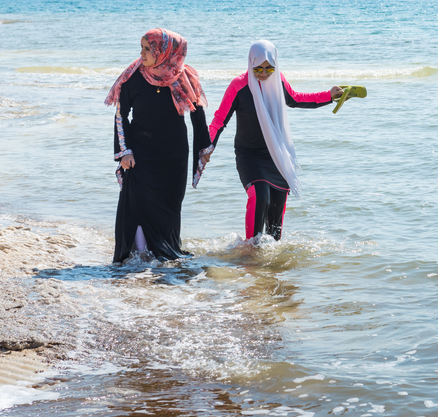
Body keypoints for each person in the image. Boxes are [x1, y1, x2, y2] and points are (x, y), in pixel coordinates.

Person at [207, 40, 341, 241]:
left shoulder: (278, 81)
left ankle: (271, 268)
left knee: (276, 217)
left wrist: (328, 96)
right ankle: (250, 252)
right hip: (249, 155)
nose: (263, 73)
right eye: (258, 68)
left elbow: (296, 99)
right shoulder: (239, 86)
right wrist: (207, 147)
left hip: (276, 154)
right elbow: (219, 120)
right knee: (260, 196)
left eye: (269, 68)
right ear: (250, 63)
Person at [105, 28, 210, 263]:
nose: (141, 53)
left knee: (169, 207)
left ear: (164, 52)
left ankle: (165, 254)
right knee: (136, 204)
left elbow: (197, 113)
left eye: (147, 48)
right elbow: (121, 116)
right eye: (141, 47)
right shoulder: (132, 77)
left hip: (174, 156)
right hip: (140, 153)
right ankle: (138, 256)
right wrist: (125, 151)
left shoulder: (184, 77)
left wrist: (204, 149)